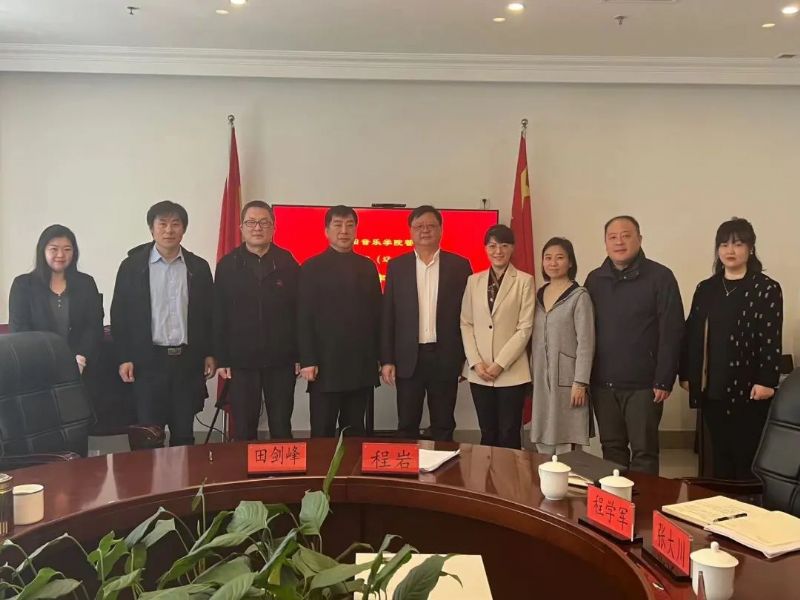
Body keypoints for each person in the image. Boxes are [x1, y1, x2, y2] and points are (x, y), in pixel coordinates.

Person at [680, 218, 783, 480]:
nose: (730, 250)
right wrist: (687, 374)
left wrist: (767, 380)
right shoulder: (706, 288)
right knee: (720, 454)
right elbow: (692, 333)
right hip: (712, 387)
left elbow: (771, 337)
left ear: (751, 248)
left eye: (738, 244)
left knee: (746, 456)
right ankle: (722, 503)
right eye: (724, 244)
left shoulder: (766, 288)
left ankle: (747, 504)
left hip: (750, 389)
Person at [110, 201, 215, 447]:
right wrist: (124, 357)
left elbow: (210, 314)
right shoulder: (132, 266)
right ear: (151, 228)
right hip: (147, 363)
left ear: (183, 229)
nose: (169, 230)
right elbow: (120, 315)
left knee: (184, 436)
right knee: (148, 436)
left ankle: (183, 474)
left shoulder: (198, 267)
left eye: (175, 224)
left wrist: (210, 352)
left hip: (186, 363)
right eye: (163, 224)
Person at [584, 216, 684, 474]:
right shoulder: (594, 280)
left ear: (639, 239)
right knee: (611, 449)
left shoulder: (660, 277)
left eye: (626, 235)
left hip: (644, 385)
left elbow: (672, 331)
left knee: (644, 451)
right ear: (605, 243)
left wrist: (664, 378)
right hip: (603, 384)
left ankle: (644, 500)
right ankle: (614, 500)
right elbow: (584, 332)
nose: (619, 242)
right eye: (612, 237)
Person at [381, 205, 472, 441]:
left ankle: (444, 464)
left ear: (441, 230)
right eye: (419, 226)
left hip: (446, 355)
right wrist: (387, 359)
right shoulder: (397, 266)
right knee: (407, 423)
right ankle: (408, 465)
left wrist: (467, 357)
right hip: (408, 358)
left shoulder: (460, 266)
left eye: (431, 226)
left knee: (444, 423)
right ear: (410, 231)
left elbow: (469, 316)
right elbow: (388, 315)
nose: (425, 230)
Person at [214, 201, 300, 441]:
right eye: (251, 222)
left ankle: (282, 466)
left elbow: (299, 311)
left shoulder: (287, 262)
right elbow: (218, 314)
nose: (257, 228)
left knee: (281, 425)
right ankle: (245, 466)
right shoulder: (228, 265)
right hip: (241, 360)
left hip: (281, 359)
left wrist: (299, 354)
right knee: (244, 427)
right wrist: (222, 357)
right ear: (241, 227)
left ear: (273, 227)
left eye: (264, 222)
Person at [297, 205, 381, 437]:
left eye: (350, 225)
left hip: (360, 364)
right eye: (338, 225)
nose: (344, 231)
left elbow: (377, 315)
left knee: (354, 431)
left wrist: (379, 357)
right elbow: (304, 317)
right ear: (326, 231)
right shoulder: (311, 267)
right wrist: (307, 359)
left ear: (356, 230)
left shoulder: (368, 267)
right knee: (322, 431)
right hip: (325, 366)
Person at [460, 225, 534, 449]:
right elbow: (466, 323)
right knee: (487, 433)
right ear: (485, 248)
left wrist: (500, 363)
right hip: (480, 372)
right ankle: (486, 474)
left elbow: (525, 328)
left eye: (504, 245)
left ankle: (509, 475)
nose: (498, 251)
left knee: (509, 433)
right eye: (492, 246)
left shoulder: (524, 281)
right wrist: (475, 362)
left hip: (511, 372)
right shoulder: (474, 281)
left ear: (512, 248)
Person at [9, 224, 103, 374]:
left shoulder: (86, 283)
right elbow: (20, 329)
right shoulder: (23, 285)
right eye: (54, 249)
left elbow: (94, 325)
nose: (61, 255)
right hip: (36, 366)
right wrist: (45, 359)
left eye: (67, 249)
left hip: (81, 366)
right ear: (43, 251)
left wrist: (81, 357)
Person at [530, 237, 595, 455]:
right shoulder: (538, 295)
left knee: (567, 441)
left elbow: (586, 342)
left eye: (559, 258)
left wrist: (580, 382)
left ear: (570, 262)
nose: (553, 263)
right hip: (541, 379)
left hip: (569, 380)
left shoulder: (579, 296)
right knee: (543, 439)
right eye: (548, 258)